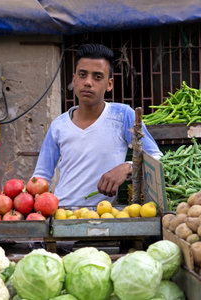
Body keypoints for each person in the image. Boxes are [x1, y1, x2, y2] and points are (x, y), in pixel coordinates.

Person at [32, 43, 163, 207]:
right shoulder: (59, 125)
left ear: (110, 84)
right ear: (74, 79)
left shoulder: (122, 116)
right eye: (82, 75)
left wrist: (127, 167)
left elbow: (157, 157)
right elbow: (41, 175)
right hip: (61, 215)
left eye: (97, 77)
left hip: (105, 217)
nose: (88, 82)